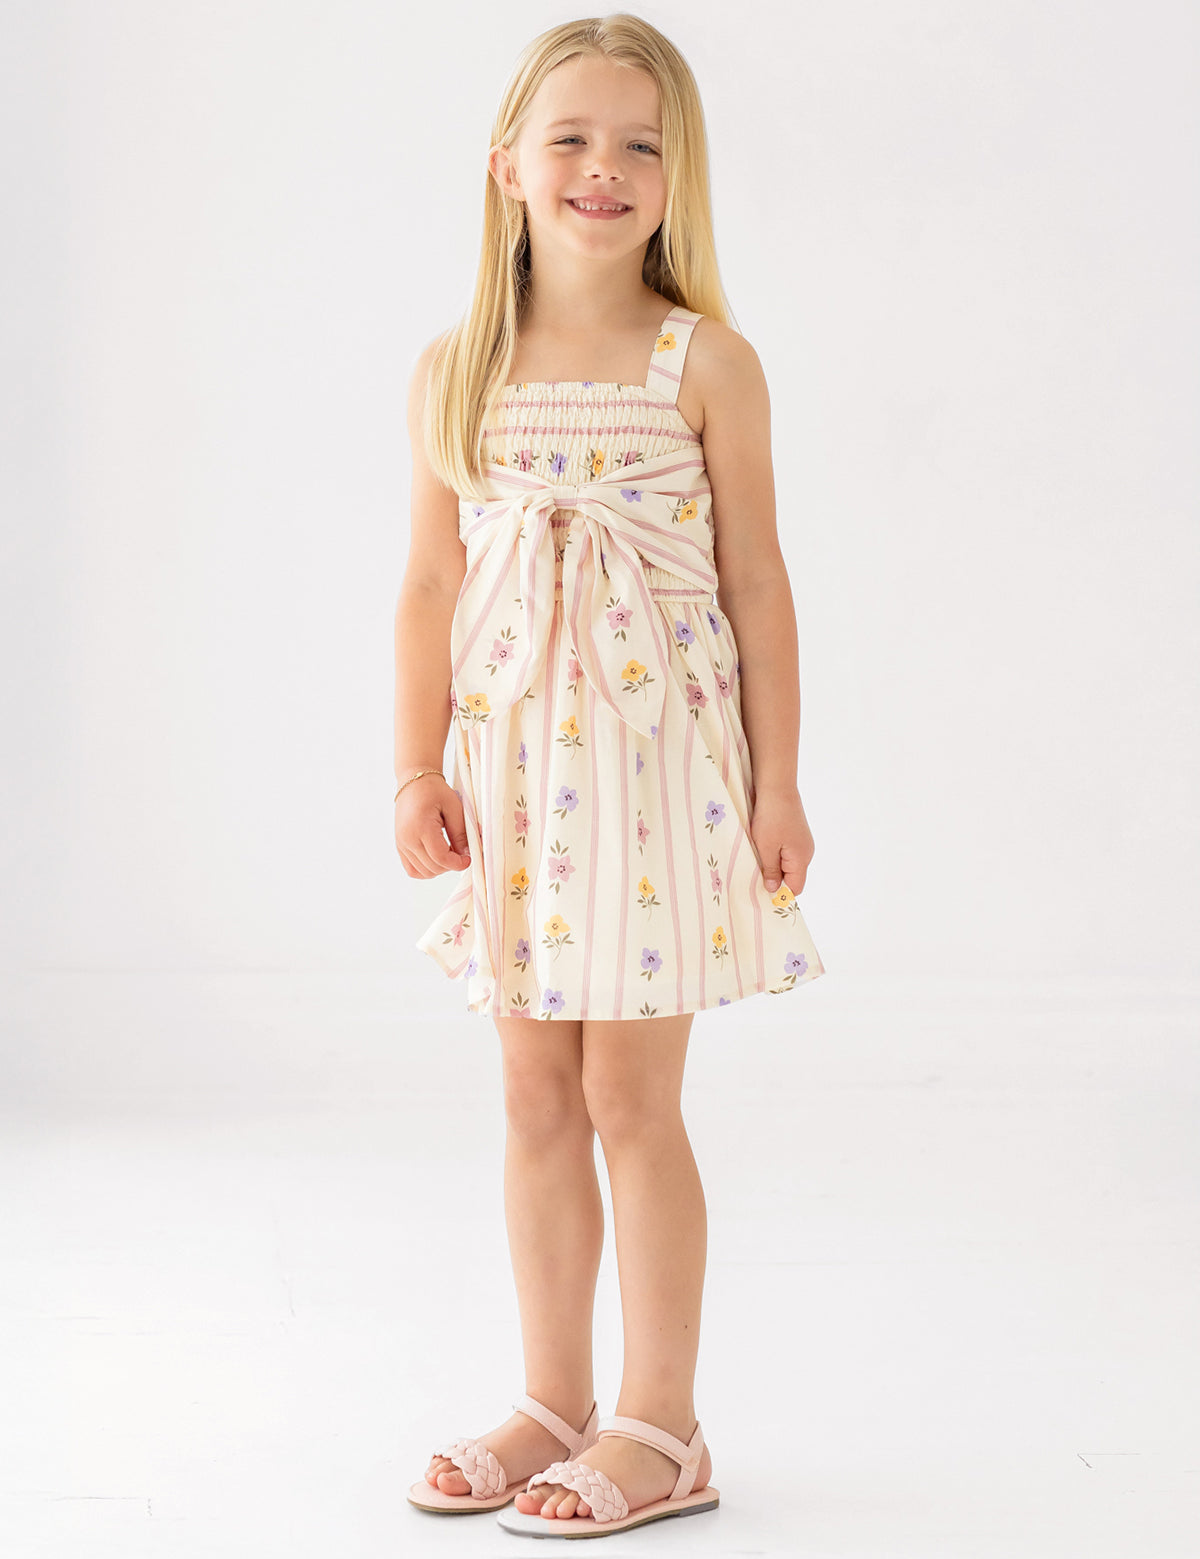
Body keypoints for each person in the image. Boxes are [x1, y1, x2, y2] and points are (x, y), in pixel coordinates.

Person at [396, 13, 826, 1538]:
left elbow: (758, 581)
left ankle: (662, 1424)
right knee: (533, 1095)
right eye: (571, 137)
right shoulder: (461, 369)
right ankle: (550, 1400)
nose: (605, 167)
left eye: (641, 143)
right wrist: (413, 767)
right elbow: (430, 586)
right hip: (518, 773)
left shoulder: (705, 361)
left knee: (631, 1099)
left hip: (655, 774)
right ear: (506, 165)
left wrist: (779, 785)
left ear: (675, 174)